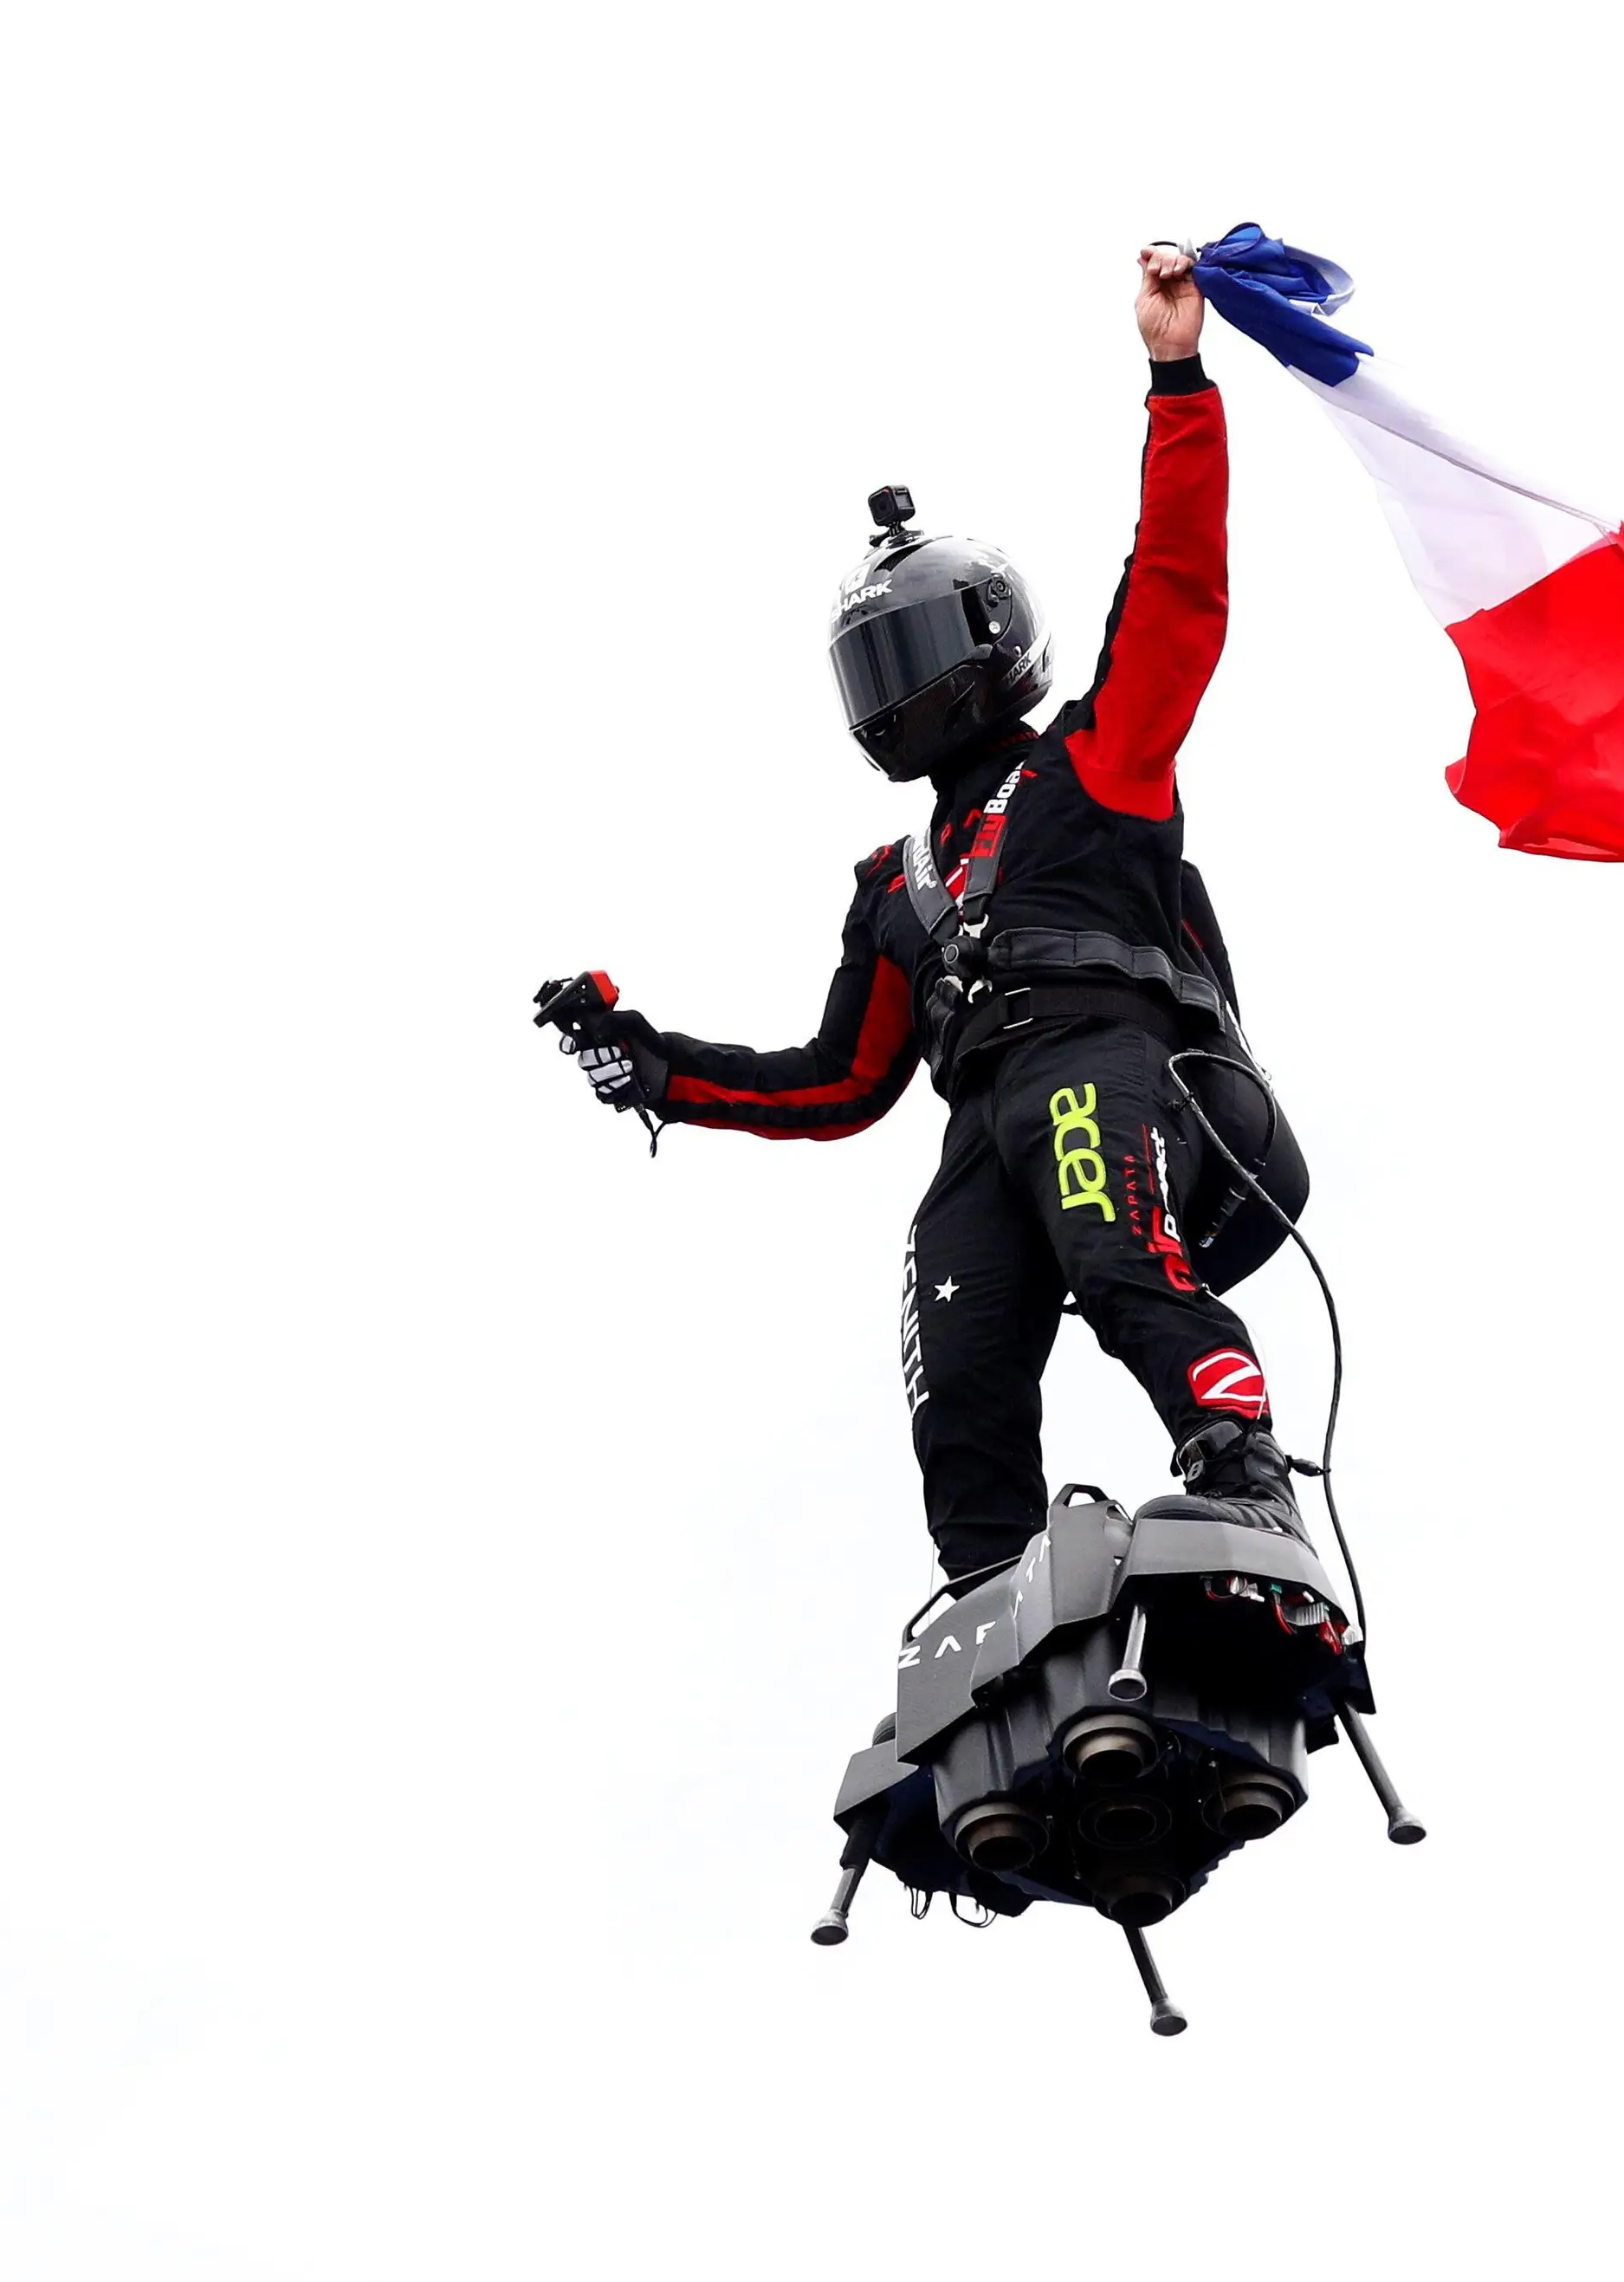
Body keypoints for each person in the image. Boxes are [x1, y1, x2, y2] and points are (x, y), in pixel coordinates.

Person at [540, 245, 1295, 1584]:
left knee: (1120, 1259)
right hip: (975, 1124)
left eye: (926, 647)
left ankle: (1238, 1466)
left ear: (995, 639)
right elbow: (837, 1083)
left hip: (1101, 1063)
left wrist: (1175, 377)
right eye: (878, 664)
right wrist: (654, 1061)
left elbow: (1176, 589)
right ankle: (990, 1609)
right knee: (958, 1373)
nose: (906, 685)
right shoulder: (893, 884)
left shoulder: (1095, 760)